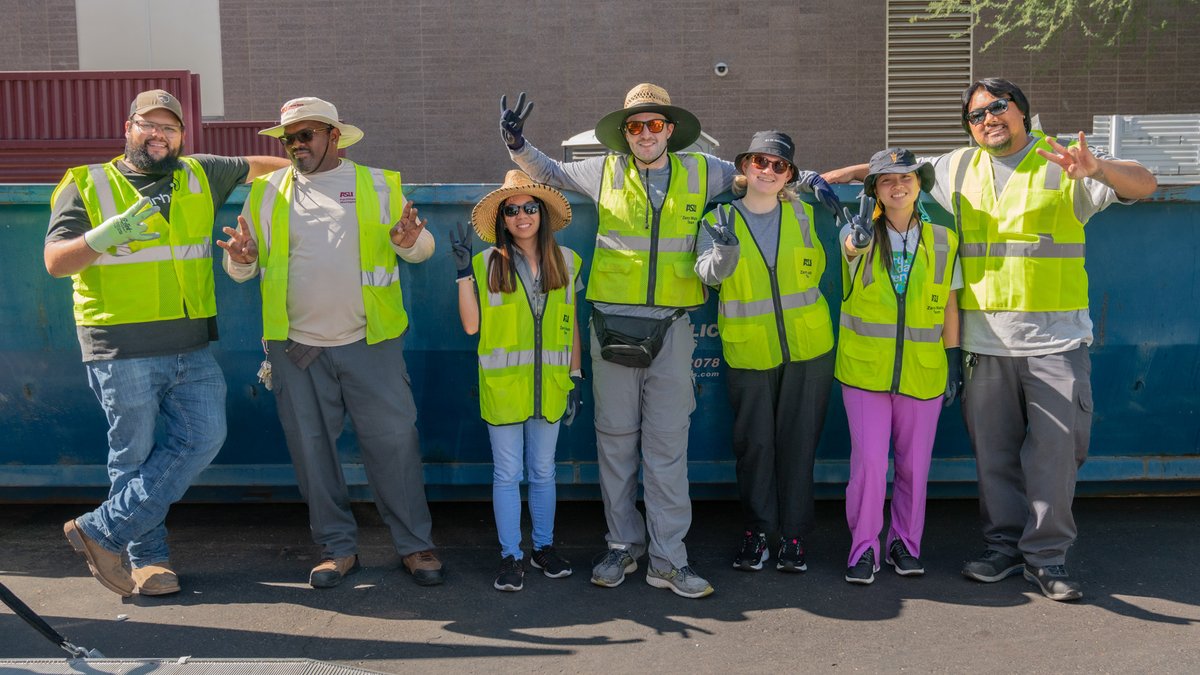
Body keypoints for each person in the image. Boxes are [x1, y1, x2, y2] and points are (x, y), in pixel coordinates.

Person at [500, 84, 843, 599]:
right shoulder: (604, 170)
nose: (645, 133)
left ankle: (668, 558)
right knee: (615, 444)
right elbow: (547, 172)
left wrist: (814, 176)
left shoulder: (706, 171)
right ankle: (622, 546)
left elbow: (765, 172)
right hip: (611, 326)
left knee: (667, 448)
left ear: (671, 131)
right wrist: (516, 144)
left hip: (672, 328)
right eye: (635, 125)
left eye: (655, 125)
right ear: (624, 132)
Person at [823, 78, 1157, 601]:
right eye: (976, 115)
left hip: (1054, 342)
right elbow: (894, 174)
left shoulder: (1062, 160)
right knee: (994, 457)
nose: (988, 120)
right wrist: (833, 176)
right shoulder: (957, 166)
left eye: (998, 108)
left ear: (1022, 111)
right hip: (983, 344)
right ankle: (1002, 548)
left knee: (1053, 455)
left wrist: (1100, 169)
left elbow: (1145, 184)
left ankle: (1046, 559)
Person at [45, 89, 288, 597]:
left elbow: (267, 166)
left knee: (203, 437)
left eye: (170, 128)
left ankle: (101, 531)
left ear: (182, 136)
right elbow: (55, 262)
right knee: (132, 455)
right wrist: (101, 236)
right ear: (127, 128)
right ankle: (147, 561)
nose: (159, 135)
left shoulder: (201, 173)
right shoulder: (86, 182)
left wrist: (312, 171)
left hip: (191, 344)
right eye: (148, 125)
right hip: (119, 345)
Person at [221, 97, 445, 588]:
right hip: (296, 347)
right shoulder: (266, 192)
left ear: (334, 136)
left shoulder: (378, 183)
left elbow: (420, 246)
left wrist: (410, 243)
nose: (296, 146)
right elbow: (243, 267)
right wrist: (240, 258)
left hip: (371, 340)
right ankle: (336, 549)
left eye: (306, 135)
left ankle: (415, 545)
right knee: (311, 450)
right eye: (288, 138)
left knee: (395, 445)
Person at [694, 131, 836, 575]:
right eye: (760, 161)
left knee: (798, 446)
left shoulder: (803, 214)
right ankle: (757, 533)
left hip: (809, 347)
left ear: (789, 174)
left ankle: (794, 536)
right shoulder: (719, 219)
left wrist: (819, 180)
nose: (768, 170)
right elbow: (708, 275)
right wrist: (725, 253)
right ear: (744, 166)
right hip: (750, 349)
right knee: (754, 446)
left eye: (779, 166)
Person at [450, 170, 583, 592]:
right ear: (502, 220)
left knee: (543, 472)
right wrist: (461, 275)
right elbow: (472, 327)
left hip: (551, 388)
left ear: (541, 213)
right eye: (512, 210)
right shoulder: (485, 263)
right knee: (507, 474)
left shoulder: (569, 260)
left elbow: (571, 324)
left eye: (529, 207)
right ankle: (511, 555)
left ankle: (543, 548)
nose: (522, 216)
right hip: (504, 389)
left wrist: (574, 376)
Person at [834, 148, 961, 585]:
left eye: (906, 177)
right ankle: (863, 548)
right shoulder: (856, 233)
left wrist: (953, 358)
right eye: (886, 180)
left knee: (914, 468)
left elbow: (949, 303)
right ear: (874, 192)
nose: (898, 186)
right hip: (865, 372)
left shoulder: (944, 238)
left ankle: (904, 545)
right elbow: (851, 250)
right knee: (870, 465)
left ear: (920, 185)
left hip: (923, 372)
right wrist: (859, 233)